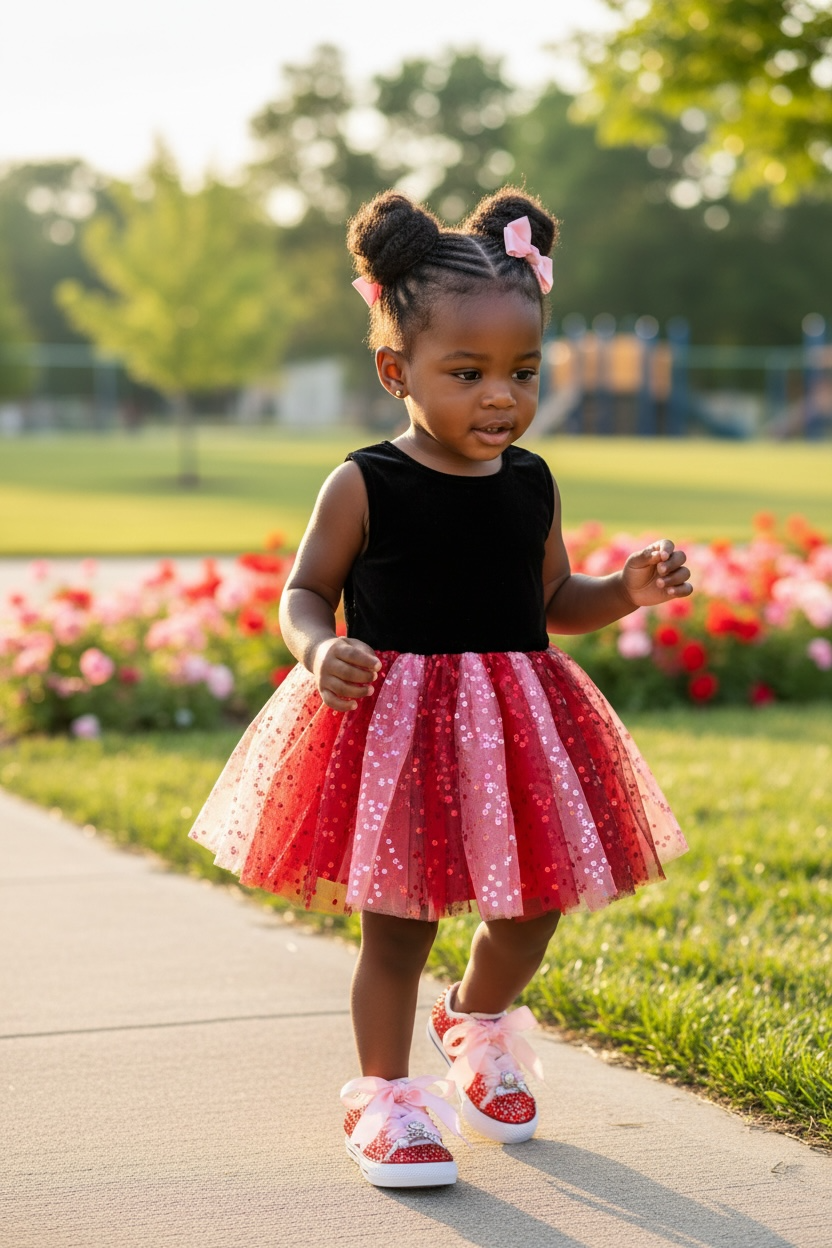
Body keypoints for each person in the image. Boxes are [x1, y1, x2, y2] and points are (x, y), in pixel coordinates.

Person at [189, 187, 691, 1190]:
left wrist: (624, 591)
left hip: (516, 728)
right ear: (397, 372)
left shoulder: (532, 481)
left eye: (522, 372)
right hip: (398, 734)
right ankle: (385, 1099)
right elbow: (304, 591)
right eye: (467, 374)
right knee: (399, 926)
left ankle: (475, 1019)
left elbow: (552, 600)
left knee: (536, 905)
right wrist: (315, 650)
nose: (500, 397)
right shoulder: (365, 483)